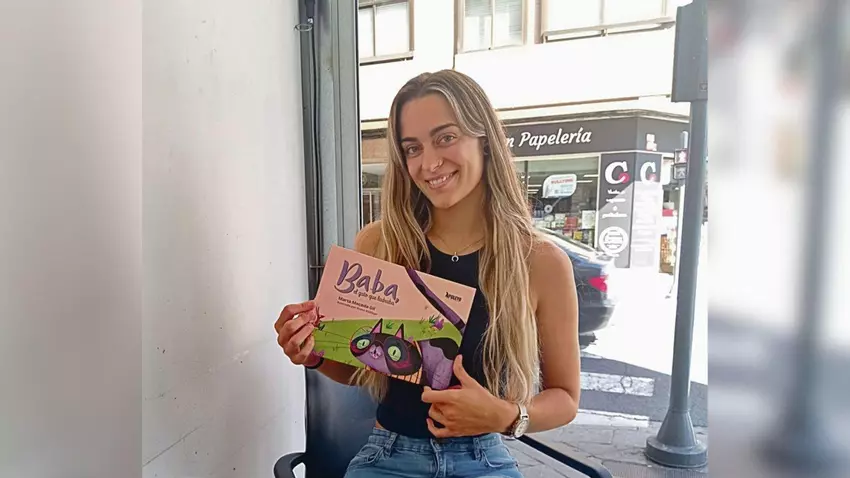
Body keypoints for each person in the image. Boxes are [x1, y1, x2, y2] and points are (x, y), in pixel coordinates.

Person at [274, 70, 581, 478]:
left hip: (483, 459)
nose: (430, 163)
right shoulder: (380, 245)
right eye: (412, 148)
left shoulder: (538, 261)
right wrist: (311, 353)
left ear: (484, 139)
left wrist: (507, 416)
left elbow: (565, 397)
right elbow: (357, 368)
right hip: (389, 457)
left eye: (446, 137)